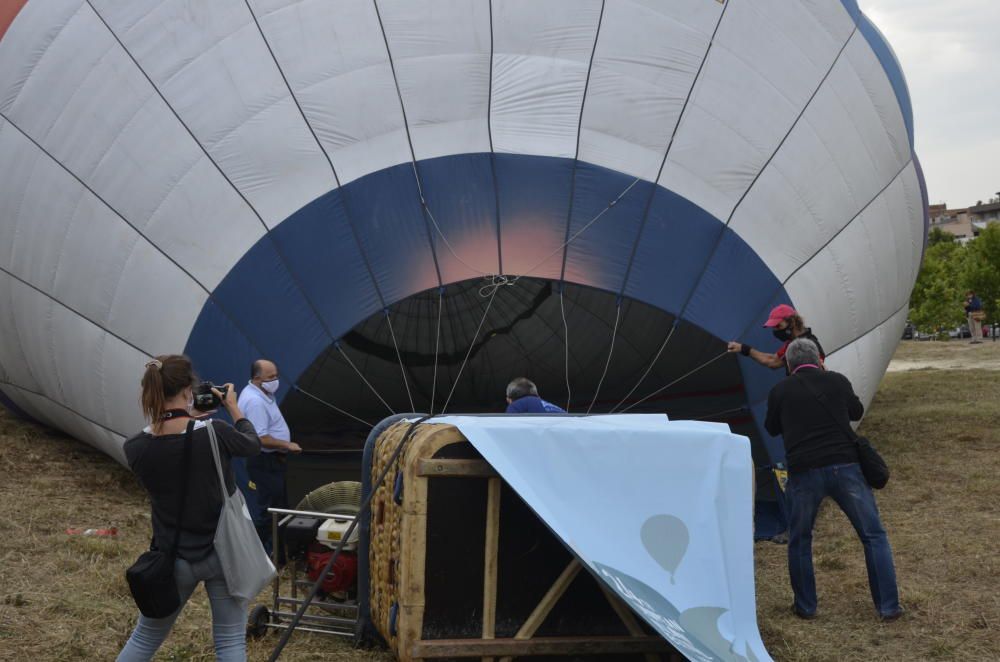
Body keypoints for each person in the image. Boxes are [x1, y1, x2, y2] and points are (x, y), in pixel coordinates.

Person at [119, 355, 262, 661]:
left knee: (144, 637)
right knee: (230, 641)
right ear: (188, 390)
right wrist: (233, 407)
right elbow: (251, 445)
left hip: (174, 558)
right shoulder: (214, 432)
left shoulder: (135, 448)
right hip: (223, 551)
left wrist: (188, 416)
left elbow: (171, 448)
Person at [764, 339, 902, 622]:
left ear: (789, 365)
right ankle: (888, 607)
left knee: (800, 540)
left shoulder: (780, 390)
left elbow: (772, 427)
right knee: (873, 535)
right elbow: (856, 412)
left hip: (803, 472)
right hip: (845, 467)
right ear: (819, 360)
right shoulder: (837, 381)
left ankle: (806, 606)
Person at [237, 359, 301, 553]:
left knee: (280, 508)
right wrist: (286, 444)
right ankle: (256, 555)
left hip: (272, 462)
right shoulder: (255, 402)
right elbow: (260, 438)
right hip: (265, 463)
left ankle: (280, 554)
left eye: (276, 375)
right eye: (271, 377)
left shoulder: (263, 393)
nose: (276, 380)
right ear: (257, 379)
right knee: (268, 512)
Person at [727, 304, 825, 374]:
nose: (775, 331)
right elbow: (772, 361)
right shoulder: (790, 345)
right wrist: (743, 348)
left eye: (778, 326)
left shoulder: (810, 345)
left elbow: (818, 374)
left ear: (792, 322)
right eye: (773, 327)